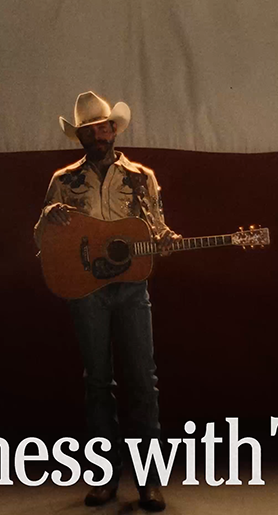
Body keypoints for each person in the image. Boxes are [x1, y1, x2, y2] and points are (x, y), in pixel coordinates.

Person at [34, 91, 181, 511]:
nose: (97, 135)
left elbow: (157, 230)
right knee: (97, 381)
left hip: (133, 287)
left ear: (114, 129)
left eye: (102, 127)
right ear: (79, 136)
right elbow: (41, 240)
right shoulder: (62, 181)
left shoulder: (141, 177)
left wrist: (166, 242)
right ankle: (103, 478)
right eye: (89, 130)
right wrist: (46, 220)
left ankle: (149, 482)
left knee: (142, 382)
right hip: (85, 290)